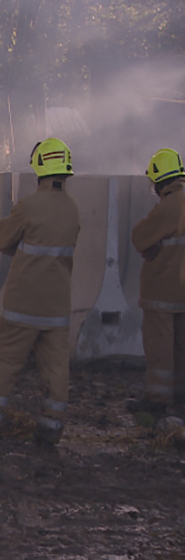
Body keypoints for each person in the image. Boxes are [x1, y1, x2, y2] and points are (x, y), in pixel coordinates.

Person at [0, 138, 80, 447]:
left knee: (4, 363)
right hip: (57, 307)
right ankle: (52, 427)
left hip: (22, 305)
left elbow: (5, 242)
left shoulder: (28, 206)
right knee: (56, 368)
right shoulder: (73, 209)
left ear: (39, 167)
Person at [128, 148, 185, 414]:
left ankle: (157, 401)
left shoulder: (168, 206)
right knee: (180, 348)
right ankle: (179, 399)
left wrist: (155, 243)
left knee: (160, 349)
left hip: (162, 293)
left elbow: (140, 236)